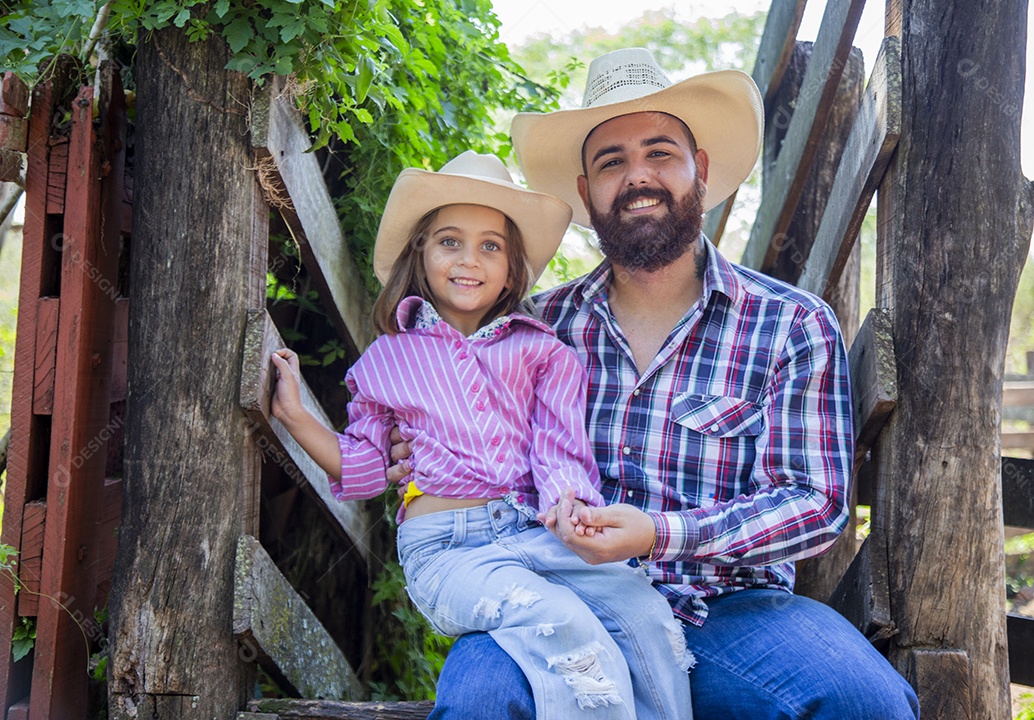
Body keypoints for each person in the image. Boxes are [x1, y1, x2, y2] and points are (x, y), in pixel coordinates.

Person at [390, 49, 921, 719]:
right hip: (555, 597)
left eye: (660, 153)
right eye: (612, 162)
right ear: (586, 192)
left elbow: (814, 502)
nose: (638, 177)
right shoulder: (533, 330)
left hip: (729, 611)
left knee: (863, 701)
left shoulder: (789, 324)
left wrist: (661, 533)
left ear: (699, 168)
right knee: (482, 701)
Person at [270, 150, 694, 720]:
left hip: (535, 532)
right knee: (563, 625)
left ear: (512, 266)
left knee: (644, 614)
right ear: (420, 251)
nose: (469, 260)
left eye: (490, 245)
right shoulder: (387, 360)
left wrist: (568, 504)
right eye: (450, 241)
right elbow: (366, 466)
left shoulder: (542, 352)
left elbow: (558, 450)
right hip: (447, 550)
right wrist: (297, 416)